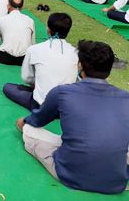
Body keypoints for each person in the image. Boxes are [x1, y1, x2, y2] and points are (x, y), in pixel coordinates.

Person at [16, 40, 129, 194]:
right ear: (109, 70)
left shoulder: (62, 92)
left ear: (80, 65)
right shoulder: (126, 98)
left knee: (29, 130)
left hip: (70, 175)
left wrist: (23, 122)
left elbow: (37, 120)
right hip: (117, 181)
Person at [3, 13, 76, 110]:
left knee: (8, 87)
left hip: (41, 104)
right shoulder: (76, 53)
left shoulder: (34, 49)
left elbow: (27, 78)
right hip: (65, 107)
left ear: (48, 30)